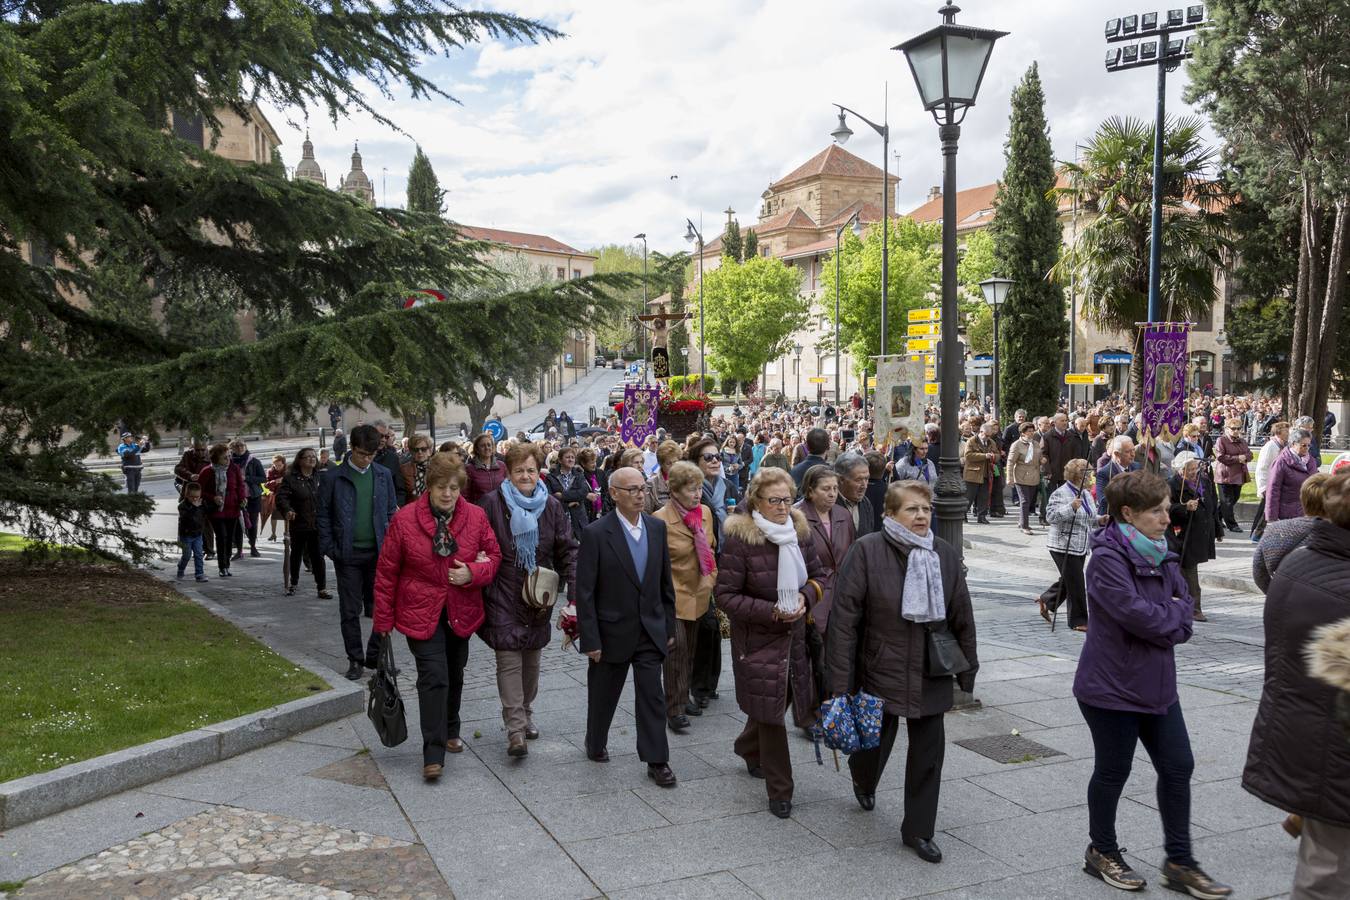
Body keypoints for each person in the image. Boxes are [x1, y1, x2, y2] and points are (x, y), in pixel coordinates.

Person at [1074, 470, 1231, 897]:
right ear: (1129, 513)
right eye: (1157, 511)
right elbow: (1140, 616)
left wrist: (1172, 617)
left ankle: (1180, 862)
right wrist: (1173, 615)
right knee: (1113, 771)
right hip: (1111, 685)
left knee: (1178, 766)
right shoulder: (1107, 558)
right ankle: (1101, 850)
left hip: (1158, 683)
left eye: (1166, 509)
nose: (1168, 518)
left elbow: (1184, 607)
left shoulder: (1163, 551)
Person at [826, 479, 978, 863]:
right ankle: (864, 779)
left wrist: (968, 670)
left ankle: (919, 830)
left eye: (926, 509)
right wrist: (839, 683)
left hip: (930, 669)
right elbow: (844, 621)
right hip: (881, 667)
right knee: (873, 744)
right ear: (890, 514)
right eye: (912, 509)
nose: (922, 516)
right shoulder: (867, 551)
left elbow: (962, 613)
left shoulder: (942, 553)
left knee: (928, 755)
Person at [1243, 471, 1350, 900]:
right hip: (1334, 751)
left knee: (1325, 863)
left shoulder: (1298, 561)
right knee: (1328, 874)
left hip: (1308, 736)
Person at [373, 453, 502, 781]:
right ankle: (433, 753)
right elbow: (387, 572)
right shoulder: (404, 519)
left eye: (454, 488)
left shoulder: (475, 516)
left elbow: (495, 555)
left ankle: (450, 728)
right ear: (428, 486)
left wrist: (472, 573)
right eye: (441, 487)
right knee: (433, 676)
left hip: (461, 611)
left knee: (455, 672)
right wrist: (382, 622)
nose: (448, 494)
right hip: (420, 610)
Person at [716, 467, 825, 818]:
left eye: (787, 499)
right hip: (759, 639)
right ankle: (781, 791)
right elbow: (726, 596)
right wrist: (772, 611)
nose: (782, 507)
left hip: (796, 637)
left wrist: (807, 598)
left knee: (779, 699)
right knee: (773, 715)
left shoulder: (800, 531)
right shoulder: (740, 538)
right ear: (756, 502)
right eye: (774, 500)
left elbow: (819, 576)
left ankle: (747, 746)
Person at [575, 466, 679, 788]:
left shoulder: (656, 528)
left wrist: (669, 626)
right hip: (611, 633)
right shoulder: (595, 534)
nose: (639, 494)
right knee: (604, 695)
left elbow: (665, 583)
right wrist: (590, 638)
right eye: (631, 489)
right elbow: (585, 592)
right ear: (614, 494)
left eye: (642, 488)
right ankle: (595, 740)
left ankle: (657, 760)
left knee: (652, 695)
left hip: (650, 630)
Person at [479, 443, 578, 757]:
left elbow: (567, 550)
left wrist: (573, 595)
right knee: (508, 659)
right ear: (508, 472)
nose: (525, 475)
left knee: (532, 662)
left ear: (539, 473)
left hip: (538, 594)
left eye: (531, 470)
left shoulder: (550, 506)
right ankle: (515, 729)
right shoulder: (491, 503)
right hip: (502, 591)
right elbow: (476, 541)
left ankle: (526, 711)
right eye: (519, 470)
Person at [317, 424, 399, 681]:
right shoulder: (333, 477)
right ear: (352, 448)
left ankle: (375, 656)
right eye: (362, 453)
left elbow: (389, 512)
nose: (366, 459)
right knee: (350, 610)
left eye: (372, 454)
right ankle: (355, 659)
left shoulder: (383, 474)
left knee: (384, 607)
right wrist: (330, 548)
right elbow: (323, 516)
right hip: (347, 553)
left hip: (379, 552)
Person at [653, 460, 717, 732]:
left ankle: (683, 695)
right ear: (675, 490)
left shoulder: (704, 513)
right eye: (691, 489)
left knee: (690, 650)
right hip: (673, 595)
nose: (697, 494)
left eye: (699, 488)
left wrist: (711, 579)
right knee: (676, 650)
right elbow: (655, 565)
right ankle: (674, 708)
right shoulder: (659, 519)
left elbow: (711, 549)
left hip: (699, 592)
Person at [796, 464, 854, 717]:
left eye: (835, 488)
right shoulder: (797, 516)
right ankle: (811, 714)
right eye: (825, 489)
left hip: (841, 595)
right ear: (810, 491)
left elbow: (851, 554)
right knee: (812, 658)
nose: (832, 494)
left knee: (837, 655)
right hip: (813, 594)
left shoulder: (843, 515)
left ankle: (833, 704)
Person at [1253, 473, 1329, 593]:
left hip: (1283, 602)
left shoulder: (1274, 530)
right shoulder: (1336, 534)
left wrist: (1276, 594)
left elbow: (1259, 573)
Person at [1168, 451, 1221, 622]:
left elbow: (1213, 505)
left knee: (1188, 568)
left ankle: (1184, 603)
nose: (1193, 472)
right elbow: (1166, 508)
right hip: (1183, 533)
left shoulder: (1203, 480)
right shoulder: (1172, 485)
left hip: (1201, 532)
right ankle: (1193, 608)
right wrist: (1184, 507)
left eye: (1195, 468)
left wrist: (1218, 529)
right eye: (1189, 469)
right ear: (1180, 469)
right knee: (1188, 568)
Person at [1045, 459, 1097, 631]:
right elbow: (1051, 517)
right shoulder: (1061, 493)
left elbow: (1088, 516)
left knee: (1069, 580)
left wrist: (1100, 520)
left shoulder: (1086, 493)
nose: (1091, 475)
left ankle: (1048, 600)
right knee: (1076, 582)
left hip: (1080, 545)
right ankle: (1078, 620)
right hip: (1063, 544)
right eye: (1088, 472)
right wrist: (1071, 507)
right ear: (1078, 475)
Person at [276, 448, 332, 599]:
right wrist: (288, 510)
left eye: (314, 457)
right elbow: (282, 498)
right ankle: (293, 584)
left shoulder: (320, 476)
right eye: (307, 457)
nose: (312, 459)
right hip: (299, 522)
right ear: (299, 460)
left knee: (318, 556)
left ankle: (322, 588)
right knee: (296, 554)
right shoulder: (291, 478)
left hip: (317, 524)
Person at [197, 443, 245, 579]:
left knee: (230, 538)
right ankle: (222, 566)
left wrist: (242, 498)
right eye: (225, 457)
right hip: (216, 509)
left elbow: (240, 486)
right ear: (215, 458)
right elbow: (199, 490)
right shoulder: (207, 471)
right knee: (221, 536)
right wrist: (213, 497)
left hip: (233, 508)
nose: (228, 459)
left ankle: (227, 564)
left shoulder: (233, 468)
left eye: (229, 456)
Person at [1267, 428, 1321, 524]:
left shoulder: (1311, 460)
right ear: (1293, 444)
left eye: (1309, 445)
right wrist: (1272, 516)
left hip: (1308, 512)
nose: (1307, 448)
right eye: (1304, 445)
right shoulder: (1281, 462)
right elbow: (1273, 490)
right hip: (1288, 515)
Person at [175, 438, 216, 558]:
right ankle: (188, 549)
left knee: (206, 524)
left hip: (204, 495)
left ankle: (209, 550)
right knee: (186, 521)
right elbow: (178, 469)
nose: (200, 452)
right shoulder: (187, 455)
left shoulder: (211, 456)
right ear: (193, 447)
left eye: (203, 450)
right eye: (197, 450)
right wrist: (189, 475)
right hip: (188, 493)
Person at [1251, 421, 1289, 540]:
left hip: (1277, 484)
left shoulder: (1283, 445)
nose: (1288, 433)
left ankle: (1258, 534)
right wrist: (1262, 487)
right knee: (1264, 510)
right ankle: (1255, 534)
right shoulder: (1270, 446)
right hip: (1269, 484)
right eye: (1286, 431)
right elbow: (1262, 467)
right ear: (1278, 432)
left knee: (1268, 509)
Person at [229, 439, 267, 559]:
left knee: (253, 523)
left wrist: (247, 478)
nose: (240, 448)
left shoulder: (254, 461)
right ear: (232, 449)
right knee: (237, 524)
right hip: (236, 497)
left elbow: (263, 478)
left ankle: (253, 547)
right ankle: (239, 550)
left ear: (245, 446)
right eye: (237, 446)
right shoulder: (229, 462)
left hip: (252, 496)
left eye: (242, 446)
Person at [546, 445, 593, 540]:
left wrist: (562, 495)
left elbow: (583, 492)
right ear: (560, 460)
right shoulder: (550, 477)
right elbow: (550, 498)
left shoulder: (579, 474)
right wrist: (568, 504)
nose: (571, 460)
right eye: (567, 457)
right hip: (559, 519)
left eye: (572, 457)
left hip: (578, 520)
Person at [1213, 417, 1251, 534]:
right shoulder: (1222, 440)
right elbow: (1220, 456)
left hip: (1239, 474)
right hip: (1225, 475)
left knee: (1234, 498)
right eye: (1233, 428)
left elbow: (1249, 454)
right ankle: (1232, 525)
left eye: (1238, 428)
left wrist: (1245, 457)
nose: (1236, 431)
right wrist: (1238, 458)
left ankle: (1215, 519)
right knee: (1227, 501)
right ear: (1227, 429)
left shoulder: (1242, 441)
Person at [1008, 422, 1044, 535]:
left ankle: (1021, 521)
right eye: (1029, 431)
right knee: (1024, 501)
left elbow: (1039, 456)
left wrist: (1042, 460)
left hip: (1034, 476)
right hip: (1021, 476)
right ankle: (1025, 525)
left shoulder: (1036, 444)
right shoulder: (1016, 445)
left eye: (1032, 430)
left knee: (1029, 500)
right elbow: (1010, 462)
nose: (1031, 433)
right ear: (1023, 433)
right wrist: (1009, 478)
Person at [962, 423, 999, 525]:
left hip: (987, 473)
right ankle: (962, 515)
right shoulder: (971, 441)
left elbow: (998, 455)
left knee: (984, 496)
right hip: (972, 473)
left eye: (989, 435)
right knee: (969, 496)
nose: (987, 437)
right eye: (986, 435)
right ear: (981, 432)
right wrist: (984, 456)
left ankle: (982, 516)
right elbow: (968, 456)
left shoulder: (991, 442)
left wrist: (993, 456)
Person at [1095, 436, 1141, 516]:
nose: (1133, 454)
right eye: (1128, 452)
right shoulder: (1104, 473)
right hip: (1113, 518)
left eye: (1133, 450)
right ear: (1116, 454)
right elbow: (1102, 500)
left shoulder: (1137, 467)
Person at [834, 452, 877, 537]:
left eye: (867, 478)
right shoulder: (829, 504)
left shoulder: (866, 503)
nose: (864, 486)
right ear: (841, 479)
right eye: (858, 480)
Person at [176, 482, 208, 582]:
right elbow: (186, 517)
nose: (195, 499)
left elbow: (207, 511)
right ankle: (181, 568)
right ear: (187, 495)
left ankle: (199, 573)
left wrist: (216, 504)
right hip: (186, 535)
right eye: (192, 497)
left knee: (199, 554)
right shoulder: (183, 506)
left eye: (197, 496)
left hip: (198, 534)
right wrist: (194, 507)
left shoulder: (201, 504)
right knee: (187, 555)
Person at [643, 440, 683, 514]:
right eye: (668, 463)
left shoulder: (686, 479)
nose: (673, 466)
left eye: (675, 462)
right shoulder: (651, 484)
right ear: (661, 464)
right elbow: (646, 512)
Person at [465, 433, 507, 504]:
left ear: (493, 447)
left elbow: (508, 489)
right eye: (482, 445)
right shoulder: (469, 469)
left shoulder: (502, 466)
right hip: (479, 511)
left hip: (500, 510)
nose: (487, 448)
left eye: (489, 445)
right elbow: (465, 495)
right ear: (477, 449)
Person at [398, 433, 434, 507]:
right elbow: (401, 496)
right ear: (411, 451)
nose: (420, 452)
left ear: (430, 451)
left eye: (423, 449)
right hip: (412, 511)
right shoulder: (403, 470)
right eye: (416, 450)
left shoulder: (438, 467)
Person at [261, 454, 287, 541]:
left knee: (286, 515)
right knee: (274, 516)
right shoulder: (270, 471)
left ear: (283, 464)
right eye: (275, 465)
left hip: (286, 496)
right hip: (275, 496)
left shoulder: (288, 471)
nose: (277, 467)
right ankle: (273, 534)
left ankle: (286, 534)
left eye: (279, 465)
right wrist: (275, 481)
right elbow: (266, 485)